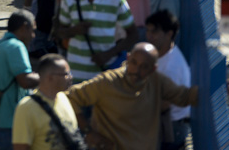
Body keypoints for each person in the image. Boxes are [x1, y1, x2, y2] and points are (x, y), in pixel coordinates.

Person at [65, 42, 197, 149]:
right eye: (134, 63)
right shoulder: (107, 82)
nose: (137, 70)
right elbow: (70, 97)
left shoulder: (157, 81)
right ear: (128, 58)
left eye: (144, 67)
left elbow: (184, 96)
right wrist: (89, 132)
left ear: (153, 69)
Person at [0, 11, 40, 150]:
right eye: (32, 31)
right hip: (10, 124)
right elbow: (25, 81)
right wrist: (46, 77)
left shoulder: (2, 43)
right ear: (24, 28)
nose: (33, 36)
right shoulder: (16, 47)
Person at [11, 54, 83, 149]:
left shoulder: (63, 98)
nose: (71, 77)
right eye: (66, 74)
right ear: (50, 78)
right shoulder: (26, 108)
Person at [145, 10, 192, 149]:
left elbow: (164, 104)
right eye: (147, 31)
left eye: (154, 32)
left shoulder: (172, 67)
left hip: (170, 128)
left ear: (169, 34)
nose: (149, 36)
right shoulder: (163, 54)